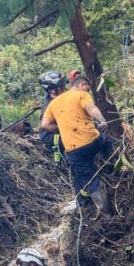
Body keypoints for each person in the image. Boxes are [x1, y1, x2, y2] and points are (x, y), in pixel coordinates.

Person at [40, 76, 112, 216]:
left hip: (75, 150)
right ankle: (114, 166)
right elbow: (91, 108)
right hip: (93, 139)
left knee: (90, 180)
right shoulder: (80, 95)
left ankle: (107, 214)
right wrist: (102, 121)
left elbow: (45, 125)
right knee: (106, 141)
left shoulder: (51, 105)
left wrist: (62, 128)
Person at [38, 71, 68, 164]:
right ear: (52, 91)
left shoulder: (63, 99)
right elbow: (46, 125)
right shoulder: (49, 105)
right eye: (61, 88)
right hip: (51, 137)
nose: (64, 90)